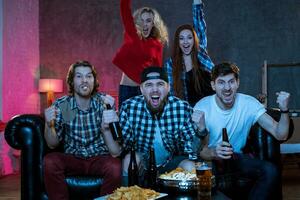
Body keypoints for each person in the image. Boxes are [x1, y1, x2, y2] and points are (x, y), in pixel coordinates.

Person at [193, 62, 291, 199]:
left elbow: (280, 134)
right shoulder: (202, 107)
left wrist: (285, 110)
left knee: (271, 170)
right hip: (211, 159)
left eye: (231, 82)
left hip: (236, 157)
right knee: (206, 177)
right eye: (221, 83)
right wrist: (215, 151)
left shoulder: (249, 103)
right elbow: (200, 151)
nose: (227, 88)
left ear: (237, 83)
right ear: (213, 85)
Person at [43, 60, 122, 199]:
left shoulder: (103, 103)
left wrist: (111, 115)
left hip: (99, 158)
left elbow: (115, 152)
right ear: (72, 81)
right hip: (73, 159)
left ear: (94, 80)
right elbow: (52, 144)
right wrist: (49, 125)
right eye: (79, 76)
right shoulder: (65, 105)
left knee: (115, 166)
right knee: (50, 161)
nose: (84, 80)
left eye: (89, 76)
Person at [119, 66, 204, 185]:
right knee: (129, 160)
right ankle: (128, 196)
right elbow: (123, 147)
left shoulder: (181, 108)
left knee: (190, 166)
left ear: (168, 88)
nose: (155, 89)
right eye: (149, 85)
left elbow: (191, 150)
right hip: (143, 163)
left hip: (171, 162)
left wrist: (201, 131)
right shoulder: (129, 107)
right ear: (142, 89)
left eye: (160, 84)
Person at [113, 0, 168, 106]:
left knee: (145, 121)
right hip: (127, 88)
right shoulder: (132, 34)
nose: (145, 24)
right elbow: (124, 9)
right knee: (124, 120)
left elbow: (157, 70)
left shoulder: (157, 44)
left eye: (148, 21)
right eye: (142, 20)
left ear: (153, 24)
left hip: (144, 90)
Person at [164, 0, 214, 107]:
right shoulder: (171, 64)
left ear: (194, 40)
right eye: (181, 38)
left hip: (212, 105)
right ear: (178, 42)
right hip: (190, 109)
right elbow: (171, 93)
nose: (185, 42)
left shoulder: (200, 52)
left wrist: (197, 3)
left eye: (189, 38)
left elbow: (199, 24)